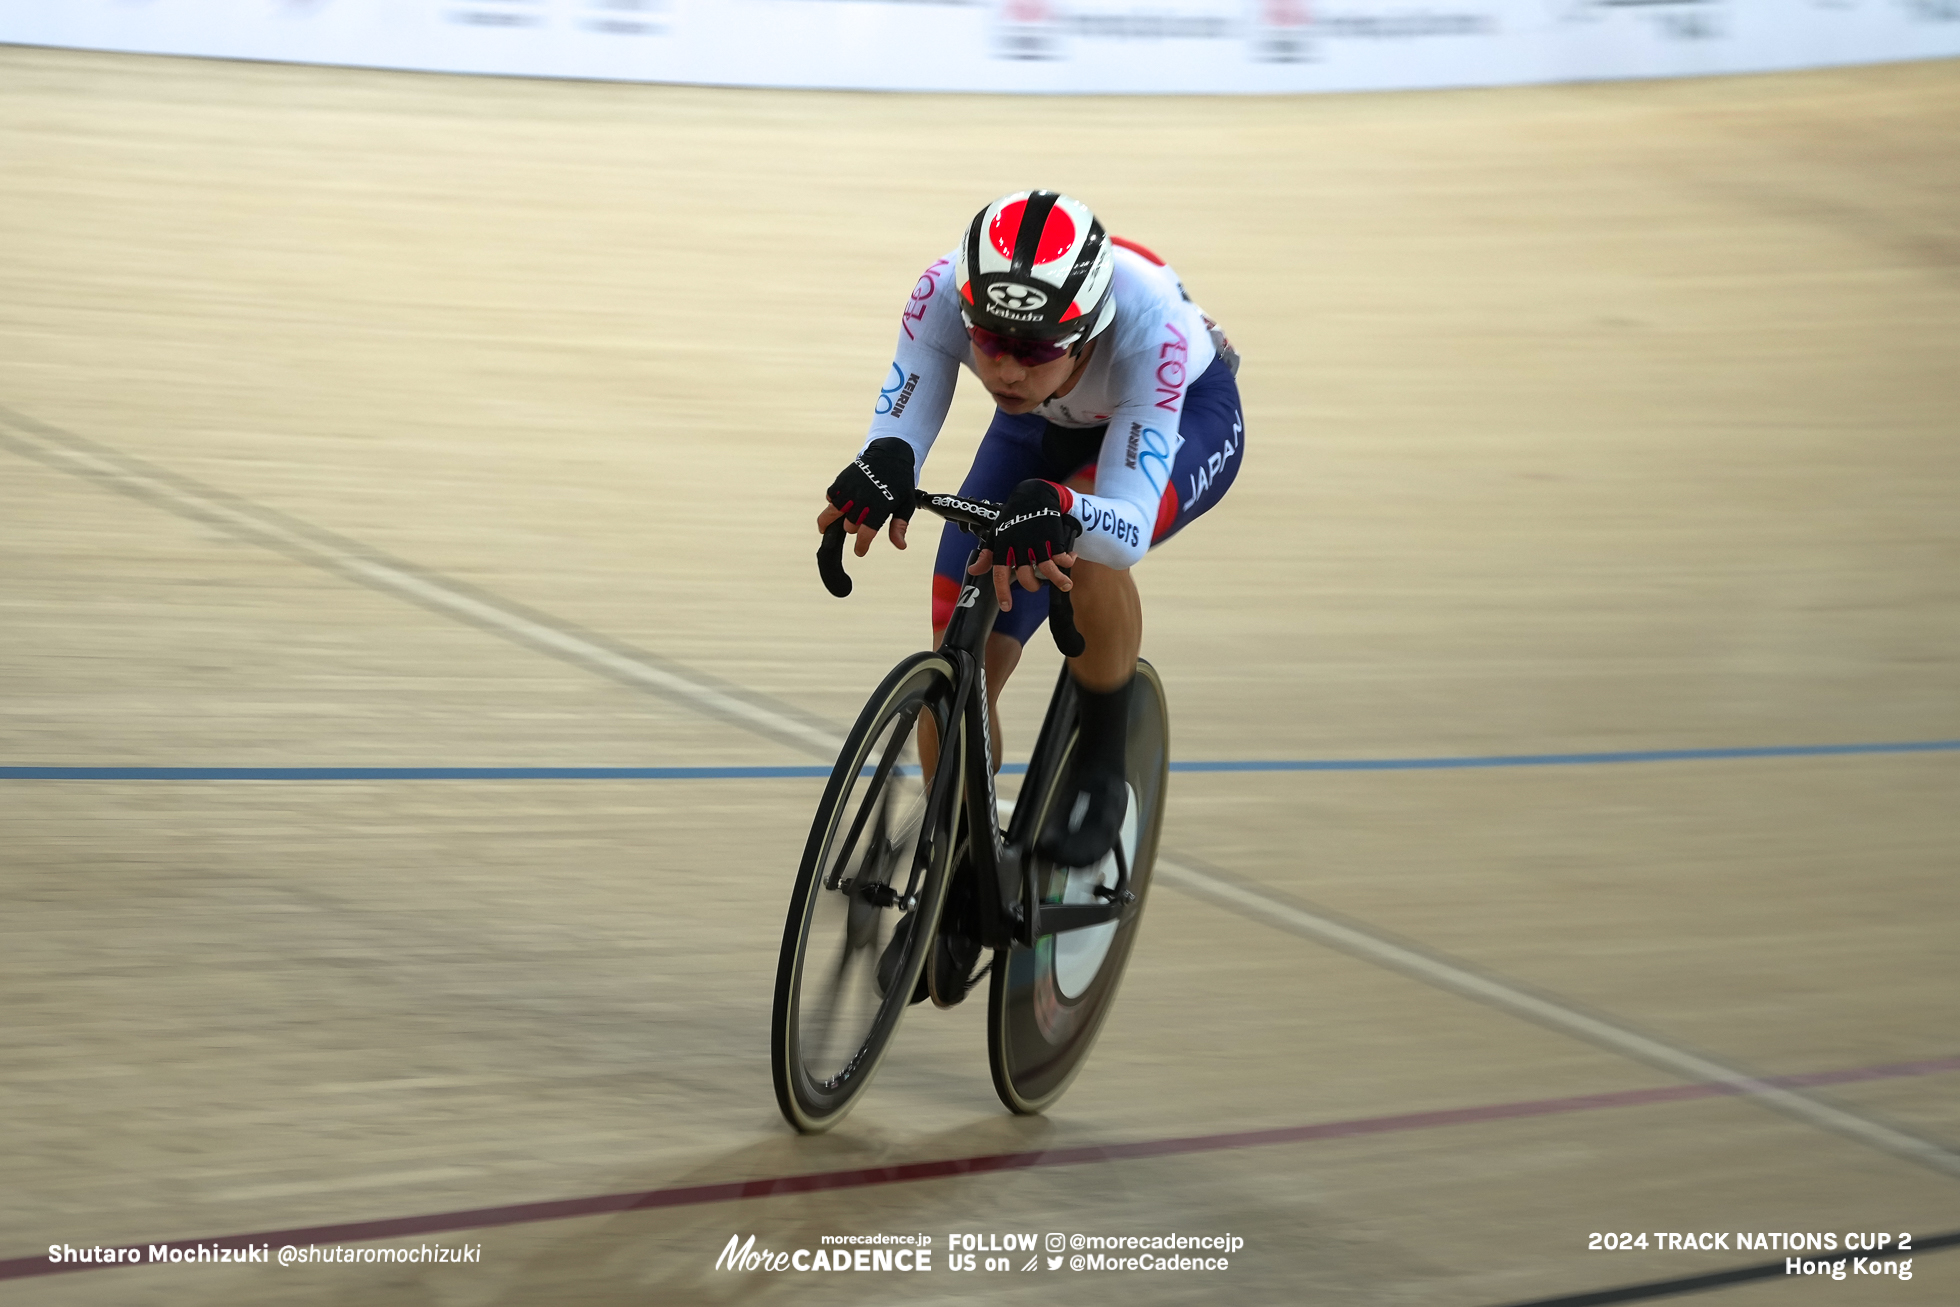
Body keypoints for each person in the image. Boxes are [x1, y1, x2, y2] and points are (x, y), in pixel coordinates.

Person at [820, 188, 1244, 872]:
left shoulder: (1150, 331)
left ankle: (1104, 763)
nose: (1006, 368)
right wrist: (883, 464)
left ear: (1086, 332)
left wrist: (1065, 512)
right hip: (1044, 419)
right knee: (959, 650)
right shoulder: (943, 288)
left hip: (1182, 411)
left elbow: (1127, 520)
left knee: (1086, 544)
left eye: (1034, 347)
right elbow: (900, 419)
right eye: (988, 341)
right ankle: (956, 871)